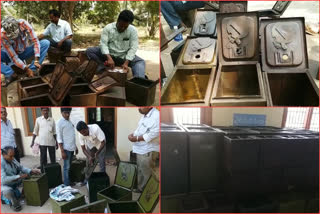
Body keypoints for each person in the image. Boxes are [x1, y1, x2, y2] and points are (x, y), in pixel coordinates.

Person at [86, 10, 146, 78]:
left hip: (123, 56)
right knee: (90, 51)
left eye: (125, 27)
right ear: (118, 20)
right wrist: (109, 58)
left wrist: (126, 62)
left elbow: (133, 47)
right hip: (108, 55)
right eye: (121, 26)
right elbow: (103, 44)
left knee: (140, 62)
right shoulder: (108, 28)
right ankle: (103, 68)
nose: (123, 28)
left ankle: (139, 81)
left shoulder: (133, 30)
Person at [1, 16, 50, 83]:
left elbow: (35, 41)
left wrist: (36, 60)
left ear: (17, 25)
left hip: (24, 52)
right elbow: (13, 57)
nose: (14, 38)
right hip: (10, 56)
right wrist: (26, 69)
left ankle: (33, 70)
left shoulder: (23, 23)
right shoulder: (2, 35)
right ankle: (10, 73)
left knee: (45, 43)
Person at [128, 107, 159, 192]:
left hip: (148, 149)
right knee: (141, 170)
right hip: (140, 148)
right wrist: (132, 134)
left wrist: (136, 138)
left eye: (141, 106)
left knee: (147, 172)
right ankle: (141, 188)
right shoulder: (145, 115)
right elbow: (140, 129)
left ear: (149, 106)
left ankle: (149, 192)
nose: (139, 108)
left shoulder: (156, 116)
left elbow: (153, 134)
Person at [1, 146, 41, 211]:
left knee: (28, 175)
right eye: (10, 156)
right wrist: (19, 176)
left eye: (13, 156)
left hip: (14, 181)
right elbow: (3, 180)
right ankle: (14, 204)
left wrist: (31, 171)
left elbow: (21, 168)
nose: (12, 158)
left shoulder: (12, 158)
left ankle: (22, 194)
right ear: (3, 155)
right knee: (8, 191)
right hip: (5, 185)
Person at [56, 108, 78, 186]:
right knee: (66, 167)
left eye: (68, 113)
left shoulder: (70, 121)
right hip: (66, 149)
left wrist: (75, 147)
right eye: (65, 113)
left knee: (70, 166)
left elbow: (72, 135)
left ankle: (69, 181)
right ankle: (66, 184)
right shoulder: (59, 123)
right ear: (61, 113)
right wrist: (62, 151)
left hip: (72, 148)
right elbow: (59, 138)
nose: (67, 115)